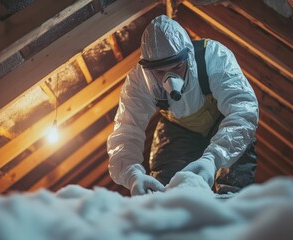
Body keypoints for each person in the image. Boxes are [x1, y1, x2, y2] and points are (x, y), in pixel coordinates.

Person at [107, 15, 258, 196]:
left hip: (222, 122)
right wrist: (132, 174)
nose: (169, 78)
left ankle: (233, 205)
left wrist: (213, 158)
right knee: (165, 187)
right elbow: (126, 129)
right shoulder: (139, 81)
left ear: (188, 57)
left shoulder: (214, 57)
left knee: (235, 180)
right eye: (160, 72)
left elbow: (243, 109)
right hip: (176, 127)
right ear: (148, 69)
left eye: (177, 67)